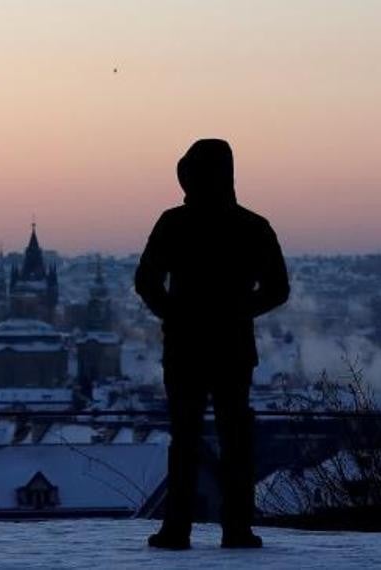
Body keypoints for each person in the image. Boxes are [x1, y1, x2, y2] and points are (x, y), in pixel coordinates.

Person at [135, 139, 289, 550]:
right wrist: (238, 312)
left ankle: (177, 529)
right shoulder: (253, 227)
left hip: (186, 347)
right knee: (234, 439)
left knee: (186, 439)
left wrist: (175, 313)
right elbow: (277, 289)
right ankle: (236, 528)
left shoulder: (174, 223)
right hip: (231, 346)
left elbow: (145, 282)